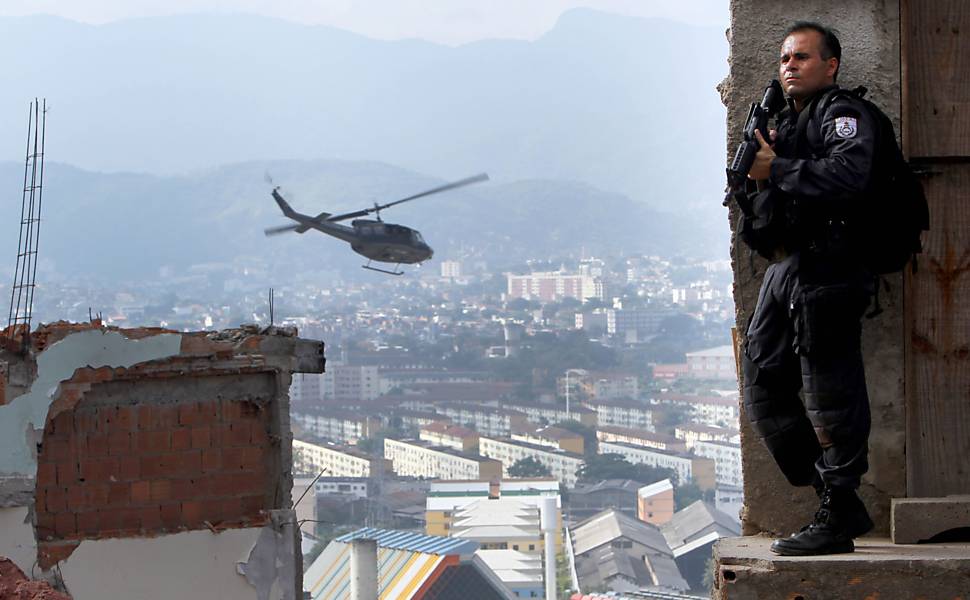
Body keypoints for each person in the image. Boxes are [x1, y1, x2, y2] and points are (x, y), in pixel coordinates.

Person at [742, 21, 876, 556]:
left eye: (801, 57)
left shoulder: (844, 115)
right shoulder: (784, 125)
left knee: (830, 391)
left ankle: (839, 512)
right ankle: (831, 493)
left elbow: (851, 177)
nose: (789, 66)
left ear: (831, 65)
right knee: (763, 377)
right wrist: (758, 178)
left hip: (833, 267)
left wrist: (780, 168)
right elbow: (764, 210)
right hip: (792, 267)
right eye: (783, 59)